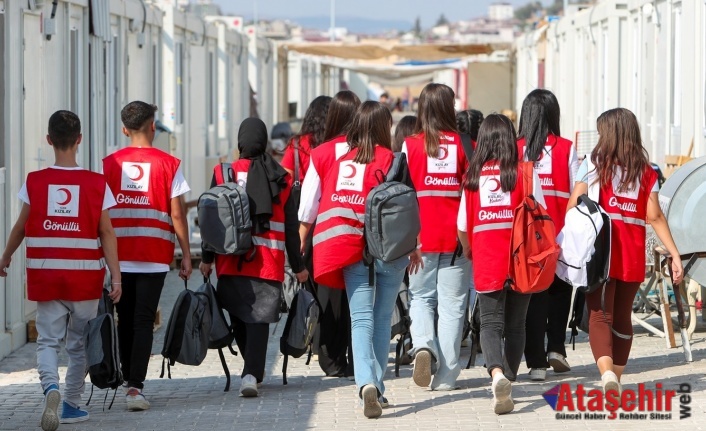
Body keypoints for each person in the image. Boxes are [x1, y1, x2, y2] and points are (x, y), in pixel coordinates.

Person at [0, 111, 122, 430]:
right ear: (79, 140)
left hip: (46, 276)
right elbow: (107, 232)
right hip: (84, 280)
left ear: (49, 140)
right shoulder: (97, 183)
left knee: (47, 341)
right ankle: (70, 404)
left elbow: (20, 227)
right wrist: (117, 276)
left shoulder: (35, 182)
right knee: (79, 343)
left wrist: (5, 257)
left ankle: (50, 388)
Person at [299, 101, 421, 418]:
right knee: (382, 318)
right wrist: (415, 246)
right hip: (390, 251)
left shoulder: (339, 161)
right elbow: (407, 207)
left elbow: (313, 206)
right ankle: (376, 386)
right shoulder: (392, 160)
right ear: (384, 128)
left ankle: (365, 382)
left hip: (353, 249)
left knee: (361, 319)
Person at [566, 107, 683, 394]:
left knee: (598, 315)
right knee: (622, 317)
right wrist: (674, 254)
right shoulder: (646, 171)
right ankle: (616, 376)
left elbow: (573, 206)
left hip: (599, 255)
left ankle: (606, 375)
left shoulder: (593, 165)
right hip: (631, 255)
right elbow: (654, 216)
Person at [200, 117, 308, 397]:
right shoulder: (281, 177)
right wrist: (298, 266)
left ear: (240, 142)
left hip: (230, 260)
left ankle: (251, 370)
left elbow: (210, 218)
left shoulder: (223, 173)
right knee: (258, 319)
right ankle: (252, 373)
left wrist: (207, 258)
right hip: (267, 260)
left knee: (239, 315)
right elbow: (291, 227)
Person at [102, 101, 192, 411]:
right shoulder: (169, 164)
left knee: (123, 319)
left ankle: (128, 377)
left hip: (117, 256)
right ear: (153, 126)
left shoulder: (109, 164)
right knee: (142, 320)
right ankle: (134, 387)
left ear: (124, 129)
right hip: (154, 255)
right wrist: (187, 254)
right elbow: (177, 214)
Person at [457, 113, 546, 415]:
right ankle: (508, 378)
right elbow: (541, 215)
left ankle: (496, 375)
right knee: (517, 323)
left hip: (486, 257)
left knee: (491, 324)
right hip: (522, 258)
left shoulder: (472, 177)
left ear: (482, 141)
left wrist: (468, 247)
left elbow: (461, 223)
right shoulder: (525, 173)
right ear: (511, 139)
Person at [401, 83, 471, 391]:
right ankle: (446, 376)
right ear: (448, 108)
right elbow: (471, 195)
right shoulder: (463, 144)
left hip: (420, 240)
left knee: (421, 298)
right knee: (453, 305)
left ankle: (424, 345)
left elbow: (403, 196)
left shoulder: (410, 145)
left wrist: (408, 239)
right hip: (456, 239)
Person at [517, 89, 579, 381]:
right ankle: (556, 347)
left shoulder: (516, 149)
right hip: (560, 233)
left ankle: (536, 363)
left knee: (532, 295)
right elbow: (578, 195)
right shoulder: (567, 148)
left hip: (526, 237)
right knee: (560, 289)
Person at [304, 90, 361, 379]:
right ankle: (360, 357)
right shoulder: (369, 151)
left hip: (326, 238)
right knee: (360, 300)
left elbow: (307, 207)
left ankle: (333, 360)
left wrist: (301, 242)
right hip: (362, 238)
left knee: (330, 302)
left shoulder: (321, 152)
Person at [281, 96, 332, 183]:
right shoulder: (335, 145)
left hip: (302, 194)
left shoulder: (297, 144)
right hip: (330, 195)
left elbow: (286, 179)